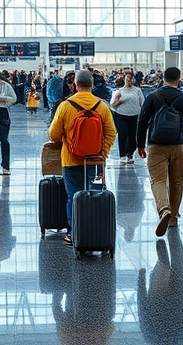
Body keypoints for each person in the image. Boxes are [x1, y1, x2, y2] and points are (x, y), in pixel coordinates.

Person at [48, 69, 117, 245]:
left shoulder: (65, 105)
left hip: (71, 160)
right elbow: (111, 132)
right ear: (92, 85)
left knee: (74, 196)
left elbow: (54, 135)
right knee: (93, 195)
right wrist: (102, 153)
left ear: (75, 85)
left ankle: (73, 233)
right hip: (94, 161)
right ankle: (93, 231)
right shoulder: (101, 106)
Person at [136, 67, 183, 237]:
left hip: (156, 145)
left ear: (163, 79)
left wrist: (140, 144)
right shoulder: (182, 98)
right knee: (176, 182)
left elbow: (142, 122)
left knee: (158, 180)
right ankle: (173, 218)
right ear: (179, 79)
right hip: (178, 145)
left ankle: (164, 210)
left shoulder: (153, 97)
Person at [110, 72, 145, 165]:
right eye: (126, 78)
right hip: (121, 115)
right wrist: (119, 101)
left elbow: (142, 103)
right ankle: (122, 154)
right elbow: (112, 105)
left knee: (132, 135)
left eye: (130, 78)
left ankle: (130, 154)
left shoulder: (137, 90)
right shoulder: (119, 91)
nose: (128, 80)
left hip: (134, 115)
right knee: (123, 134)